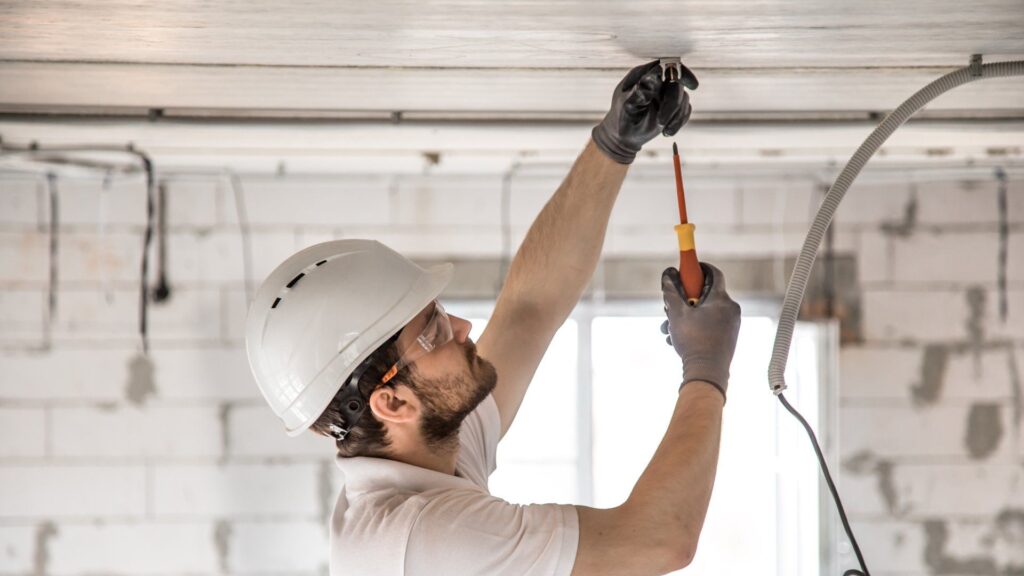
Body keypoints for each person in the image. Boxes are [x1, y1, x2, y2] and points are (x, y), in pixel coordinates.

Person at [245, 60, 741, 576]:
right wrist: (707, 366)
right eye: (433, 333)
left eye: (439, 314)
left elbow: (530, 309)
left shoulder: (421, 449)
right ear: (391, 401)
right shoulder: (424, 536)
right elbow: (657, 541)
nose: (461, 327)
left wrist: (614, 145)